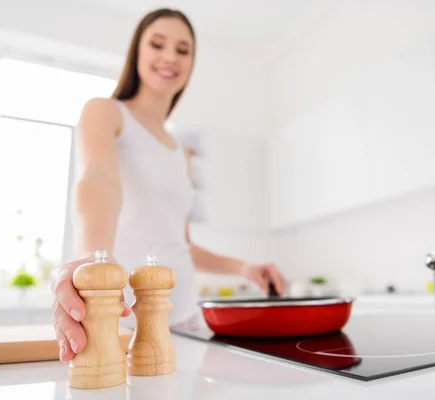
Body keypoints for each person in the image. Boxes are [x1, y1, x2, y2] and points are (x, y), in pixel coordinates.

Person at [50, 8, 286, 363]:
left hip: (186, 319)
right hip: (126, 321)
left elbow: (180, 244)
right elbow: (98, 180)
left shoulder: (181, 152)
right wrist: (91, 260)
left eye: (182, 50)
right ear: (137, 52)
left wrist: (243, 268)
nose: (169, 57)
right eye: (157, 44)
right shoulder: (107, 112)